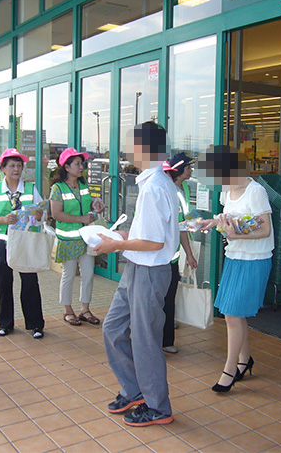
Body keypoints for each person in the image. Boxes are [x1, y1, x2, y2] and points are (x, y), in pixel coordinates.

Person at [97, 121, 180, 427]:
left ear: (145, 148)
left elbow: (155, 242)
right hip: (137, 268)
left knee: (145, 340)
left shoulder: (156, 185)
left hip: (149, 270)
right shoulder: (151, 182)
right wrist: (124, 235)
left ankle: (158, 406)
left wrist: (113, 245)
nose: (128, 149)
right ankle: (134, 390)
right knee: (113, 327)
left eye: (132, 144)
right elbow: (148, 233)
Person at [198, 145, 274, 392]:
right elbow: (227, 220)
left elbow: (265, 229)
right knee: (233, 313)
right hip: (234, 256)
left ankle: (229, 369)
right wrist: (213, 223)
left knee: (232, 313)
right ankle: (243, 360)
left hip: (254, 260)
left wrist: (236, 234)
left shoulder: (256, 191)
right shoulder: (226, 191)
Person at [0, 148, 45, 339]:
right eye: (11, 166)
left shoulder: (30, 188)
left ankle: (35, 324)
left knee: (30, 283)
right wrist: (2, 219)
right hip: (2, 242)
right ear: (3, 168)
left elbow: (41, 213)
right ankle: (5, 324)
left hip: (25, 242)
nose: (16, 169)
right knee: (4, 284)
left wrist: (39, 215)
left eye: (19, 166)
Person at [50, 147, 105, 326]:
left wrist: (97, 205)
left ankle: (85, 309)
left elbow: (88, 206)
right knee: (69, 275)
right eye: (77, 164)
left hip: (85, 239)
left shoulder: (83, 185)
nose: (81, 167)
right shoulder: (57, 188)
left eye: (82, 163)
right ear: (66, 167)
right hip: (68, 240)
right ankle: (67, 310)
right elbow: (56, 214)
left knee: (88, 274)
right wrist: (81, 218)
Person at [161, 153, 198, 354]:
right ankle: (159, 340)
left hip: (172, 255)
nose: (191, 171)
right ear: (179, 170)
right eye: (189, 168)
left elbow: (186, 220)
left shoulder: (182, 189)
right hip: (161, 255)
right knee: (162, 298)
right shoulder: (168, 191)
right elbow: (180, 225)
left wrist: (199, 222)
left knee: (169, 297)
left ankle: (166, 340)